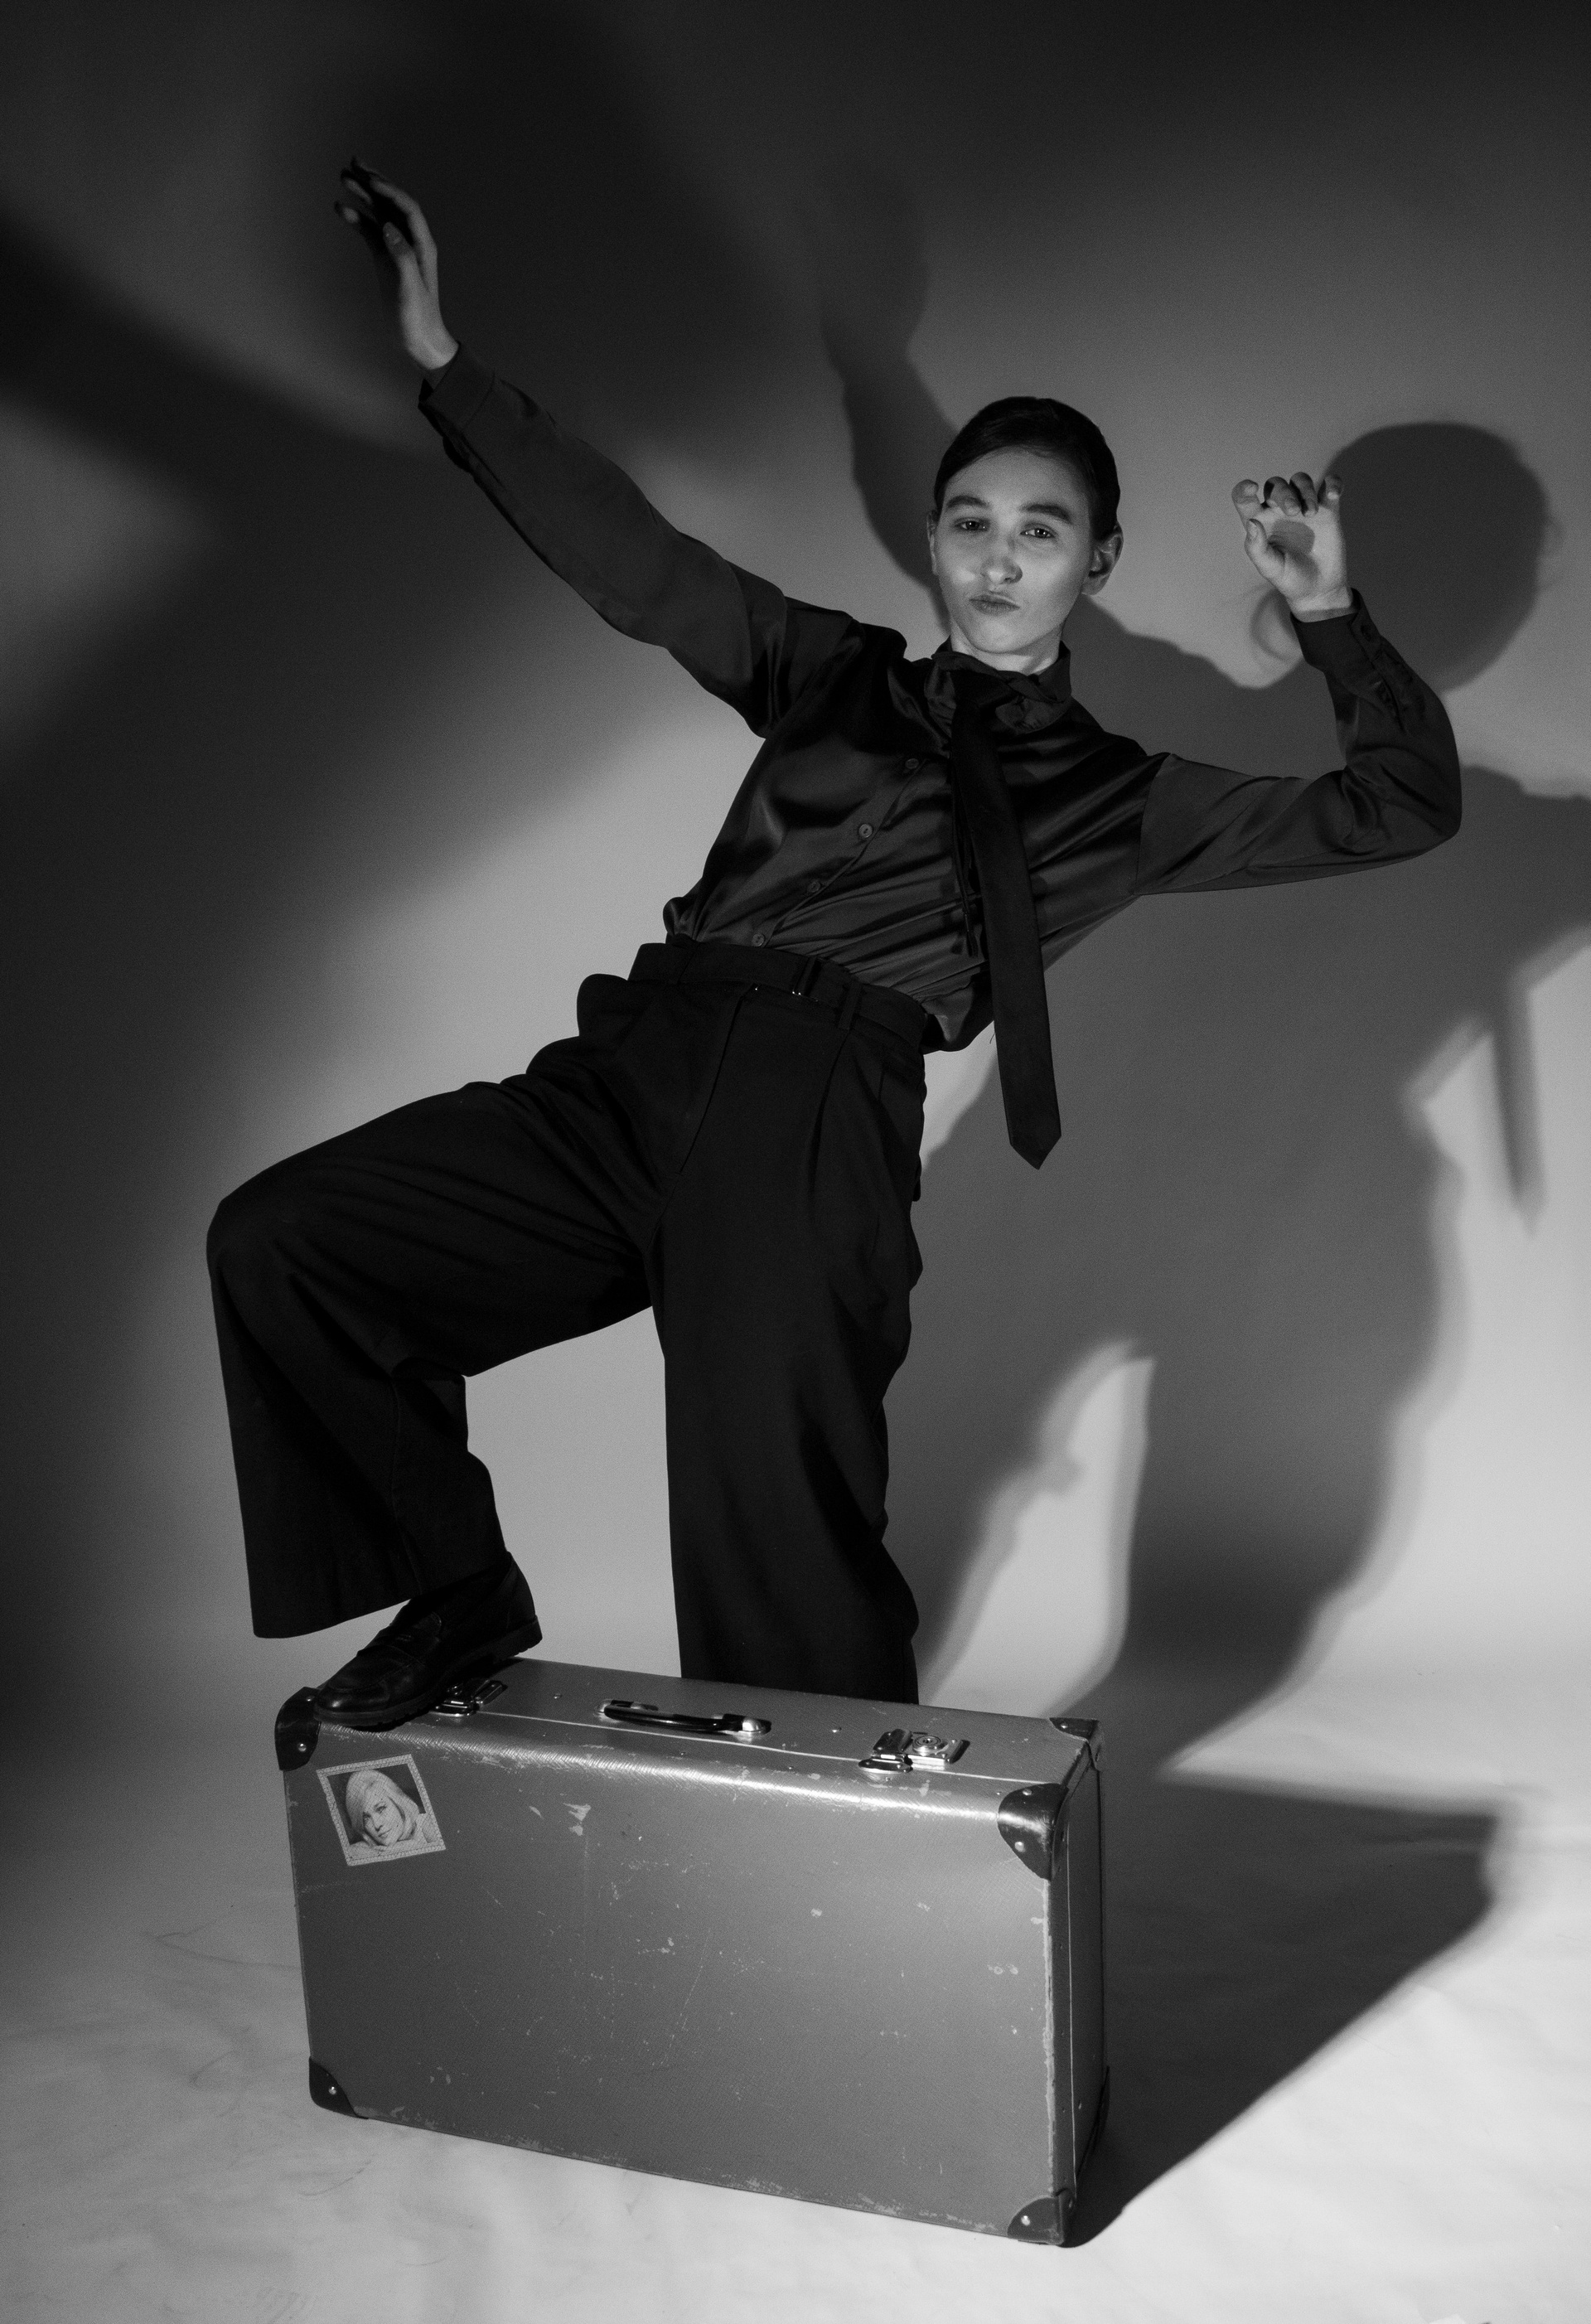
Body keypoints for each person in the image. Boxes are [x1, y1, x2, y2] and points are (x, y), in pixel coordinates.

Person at [206, 162, 1460, 1731]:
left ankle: (833, 1848)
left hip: (812, 1123)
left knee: (777, 1546)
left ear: (1100, 562)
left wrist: (1334, 620)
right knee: (291, 1242)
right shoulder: (829, 675)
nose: (997, 557)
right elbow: (641, 563)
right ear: (931, 539)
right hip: (627, 1076)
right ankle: (459, 1585)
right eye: (970, 522)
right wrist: (448, 365)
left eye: (1042, 532)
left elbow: (1399, 807)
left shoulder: (1120, 796)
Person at [343, 1764, 435, 1849]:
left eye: (381, 1809)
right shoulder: (367, 1847)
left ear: (397, 1803)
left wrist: (412, 1846)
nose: (377, 1824)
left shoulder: (426, 1825)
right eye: (366, 1818)